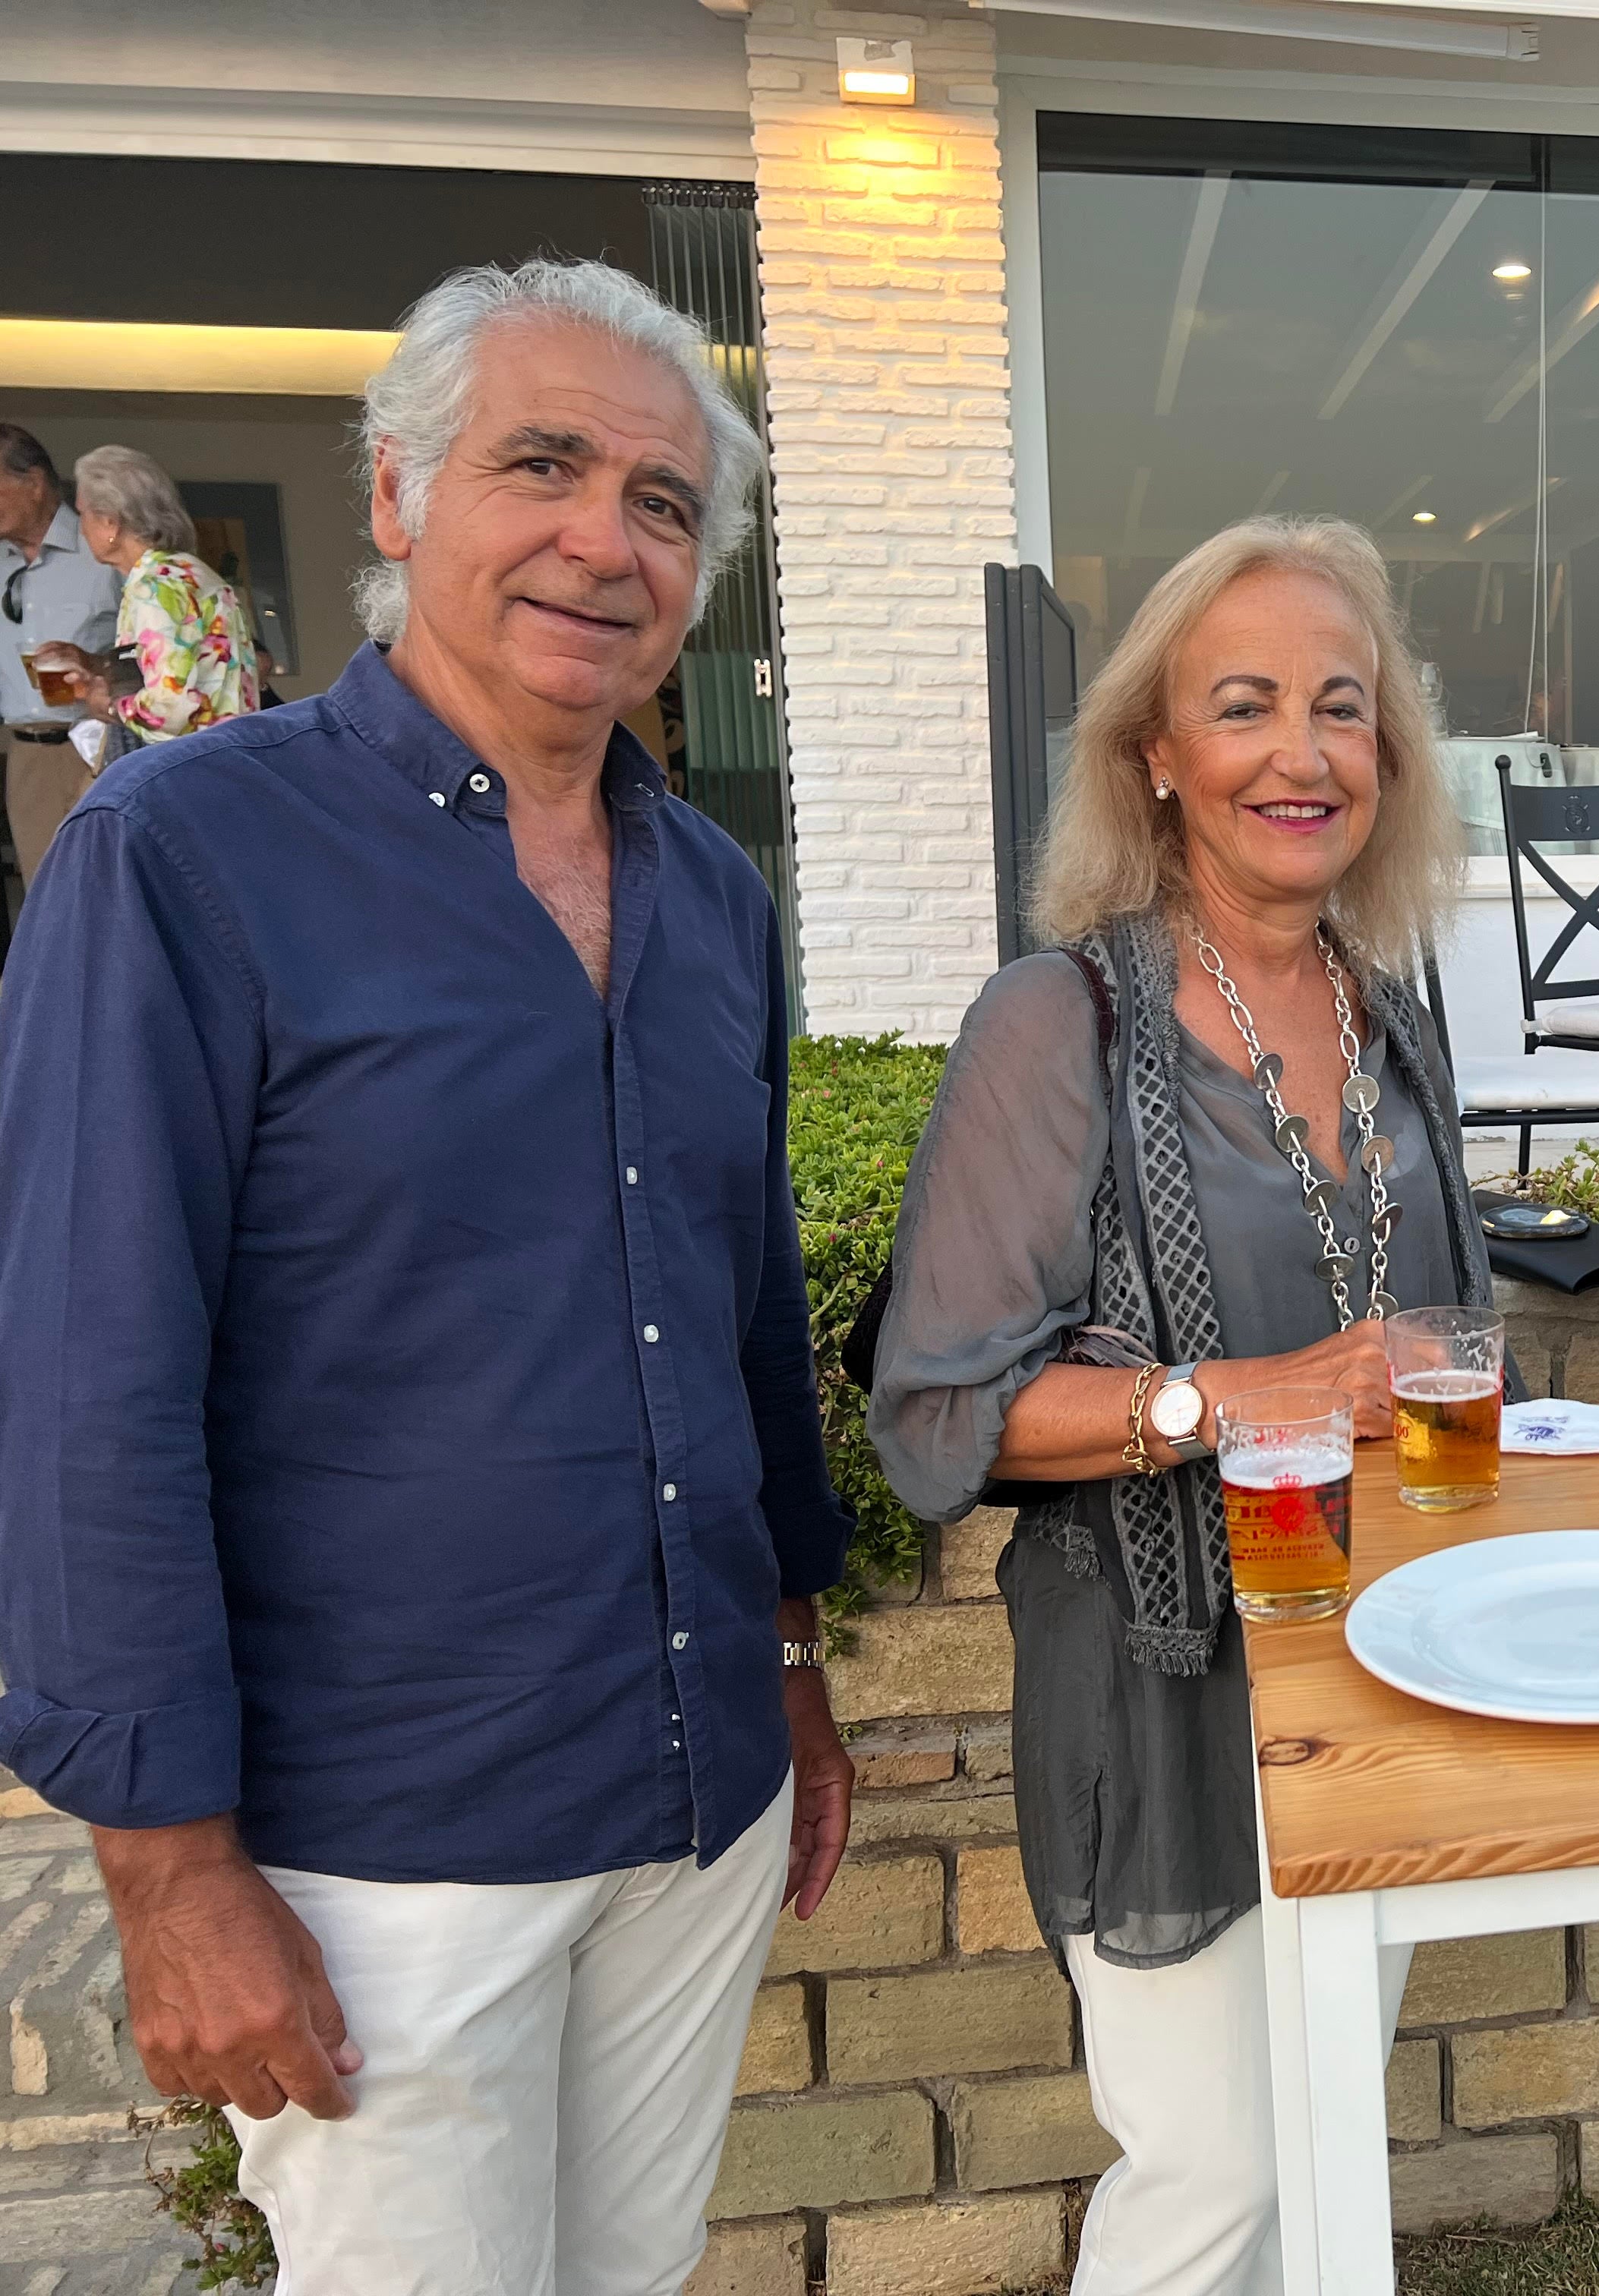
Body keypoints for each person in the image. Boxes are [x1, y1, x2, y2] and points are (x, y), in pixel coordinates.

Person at [0, 260, 856, 2293]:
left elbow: (741, 1313)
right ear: (395, 499)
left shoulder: (715, 896)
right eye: (540, 464)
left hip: (695, 1798)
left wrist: (796, 1667)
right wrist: (170, 1869)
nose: (604, 538)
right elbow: (82, 1378)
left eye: (663, 504)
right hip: (389, 1843)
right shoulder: (184, 862)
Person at [866, 516, 1503, 2296]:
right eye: (1245, 706)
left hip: (1378, 1669)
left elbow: (1438, 1328)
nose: (1302, 753)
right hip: (1165, 1692)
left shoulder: (1394, 1019)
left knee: (1315, 2155)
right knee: (1214, 2186)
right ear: (1157, 754)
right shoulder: (1051, 1023)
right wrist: (1230, 1401)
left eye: (1342, 709)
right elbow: (940, 1414)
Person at [29, 444, 257, 747]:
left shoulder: (154, 588)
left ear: (111, 522)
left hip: (189, 765)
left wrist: (110, 706)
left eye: (83, 514)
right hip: (227, 755)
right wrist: (98, 684)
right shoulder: (191, 573)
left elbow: (168, 707)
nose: (82, 531)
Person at [0, 422, 125, 887]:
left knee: (111, 891)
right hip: (27, 755)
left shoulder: (105, 547)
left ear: (33, 484)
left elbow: (160, 649)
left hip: (102, 745)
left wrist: (94, 665)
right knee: (45, 904)